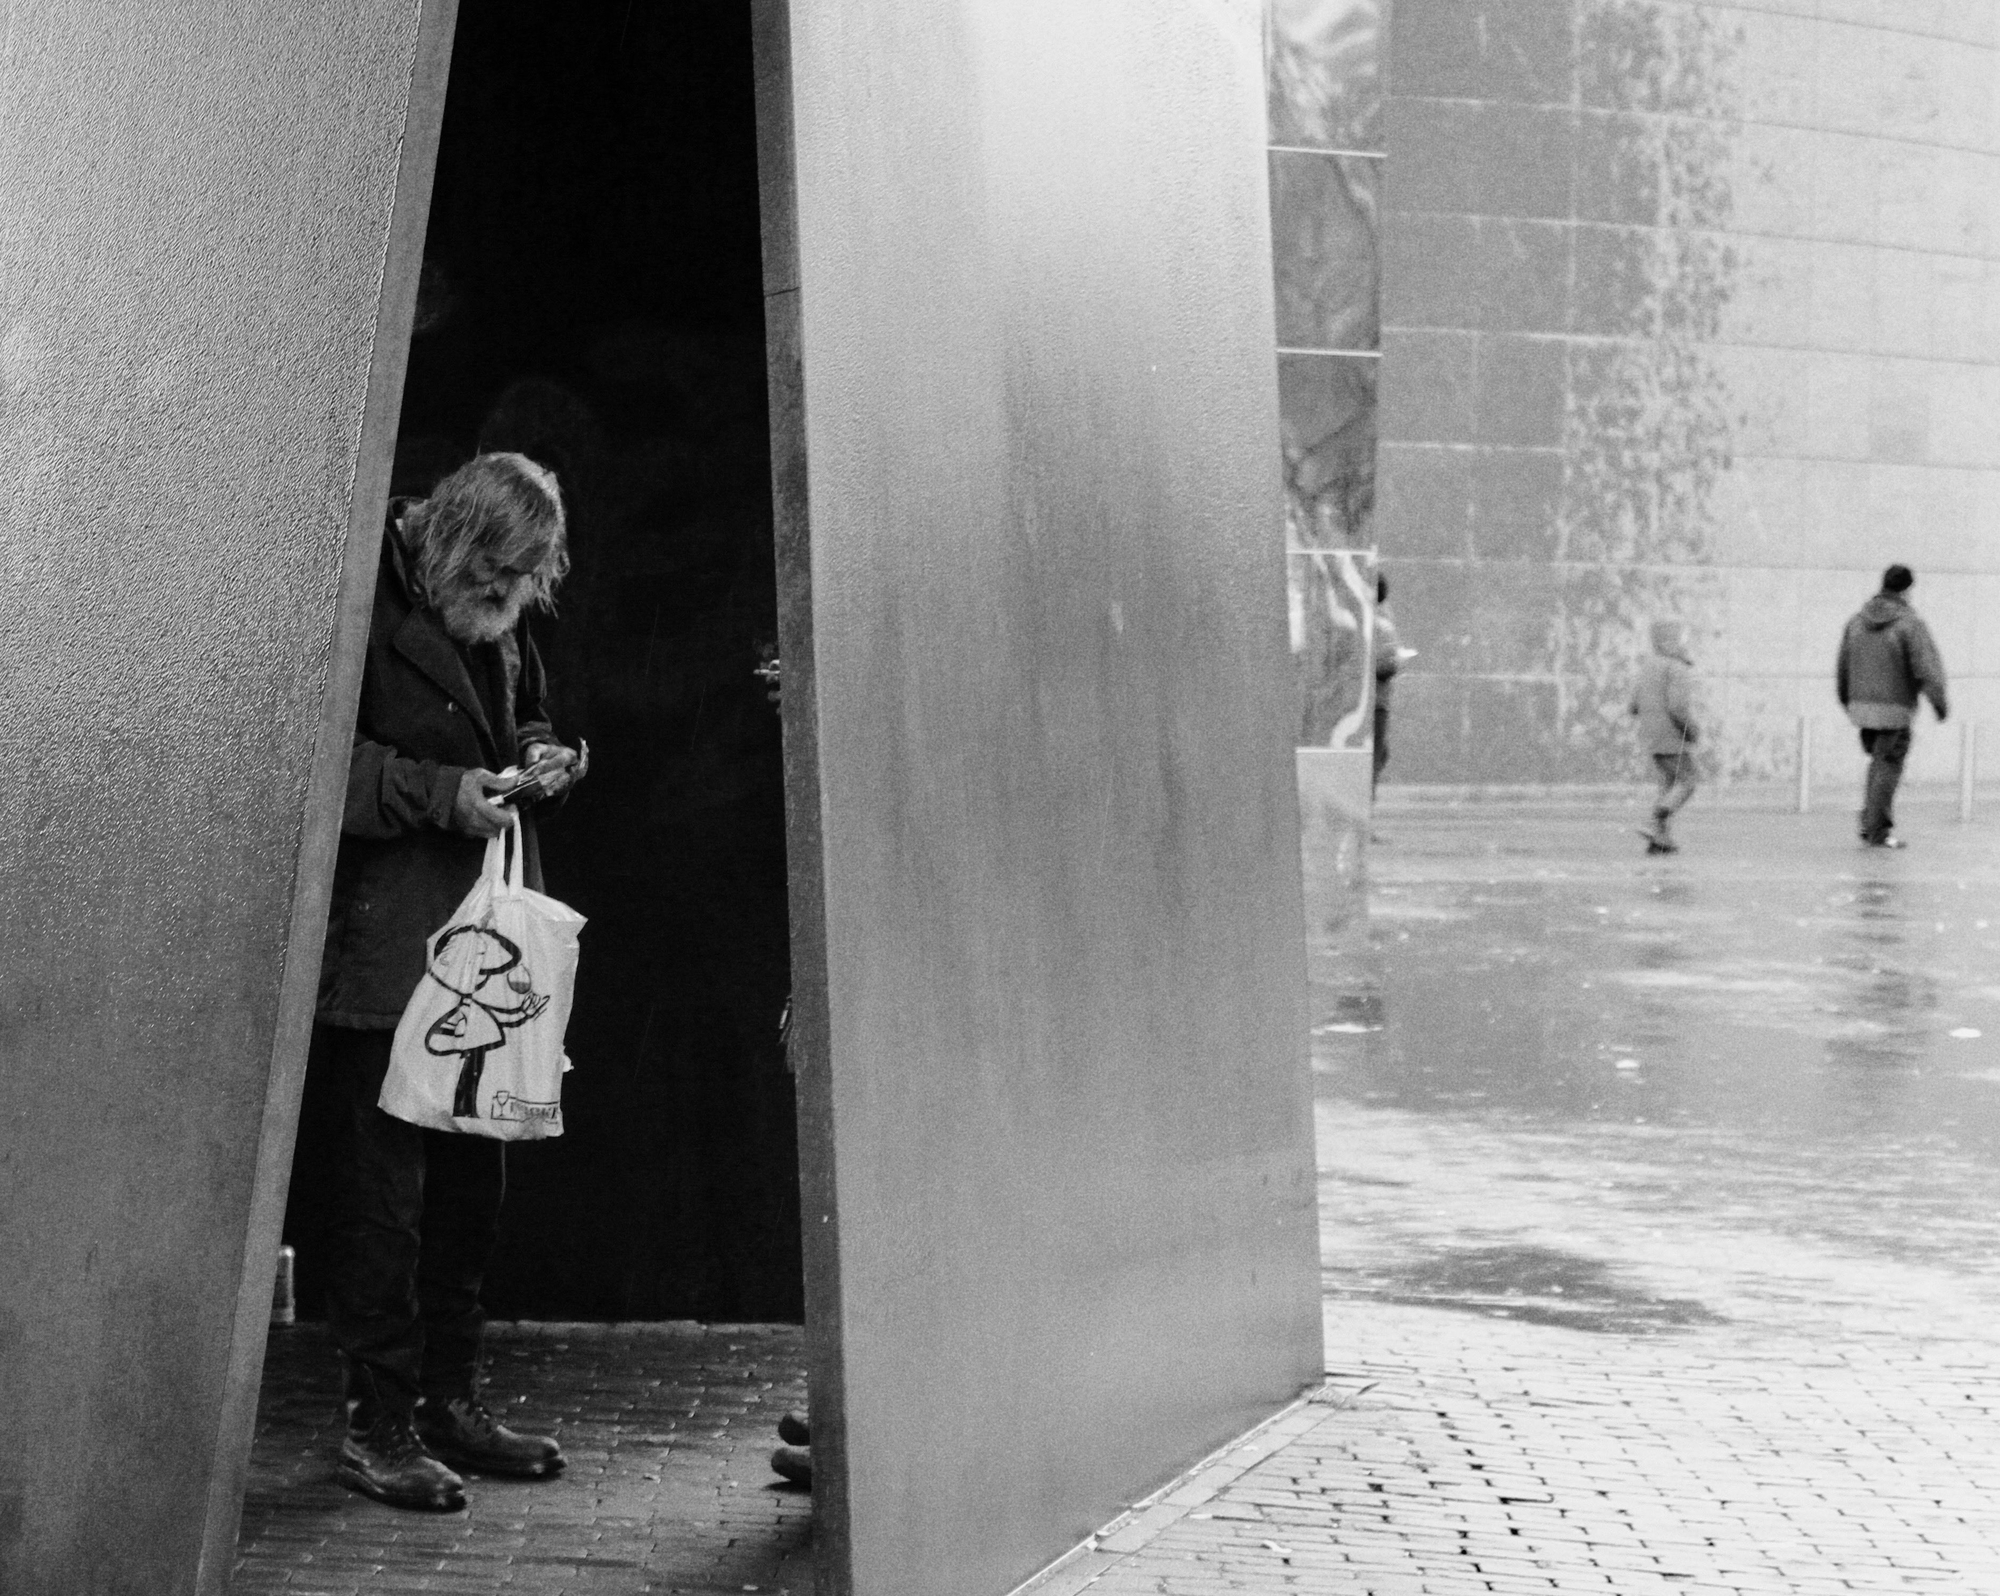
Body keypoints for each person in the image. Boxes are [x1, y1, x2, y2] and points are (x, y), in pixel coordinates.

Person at [315, 452, 586, 1511]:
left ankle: (447, 1404)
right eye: (497, 589)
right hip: (387, 944)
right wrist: (440, 794)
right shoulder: (358, 595)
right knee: (383, 1200)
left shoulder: (486, 603)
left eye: (525, 592)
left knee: (473, 1182)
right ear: (456, 552)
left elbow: (511, 713)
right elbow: (312, 761)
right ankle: (377, 1427)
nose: (510, 609)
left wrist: (542, 754)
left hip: (479, 945)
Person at [1836, 564, 1947, 849]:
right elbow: (1927, 668)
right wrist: (1940, 703)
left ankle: (1869, 822)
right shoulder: (1909, 623)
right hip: (1895, 708)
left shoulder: (1856, 621)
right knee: (1887, 764)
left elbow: (1843, 665)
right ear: (1907, 589)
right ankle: (1877, 831)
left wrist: (1847, 701)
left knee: (1877, 761)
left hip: (1861, 707)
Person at [1630, 619, 1699, 855]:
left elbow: (1633, 706)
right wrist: (1691, 730)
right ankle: (1654, 820)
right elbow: (1678, 707)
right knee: (1688, 781)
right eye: (1683, 640)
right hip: (1671, 736)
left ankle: (1660, 838)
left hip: (1651, 736)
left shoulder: (1647, 667)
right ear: (1672, 642)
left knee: (1669, 784)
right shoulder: (1676, 668)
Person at [1372, 574, 1400, 795]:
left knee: (1377, 756)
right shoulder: (1381, 627)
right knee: (1374, 758)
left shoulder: (1377, 625)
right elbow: (1388, 665)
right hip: (1375, 704)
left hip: (1372, 703)